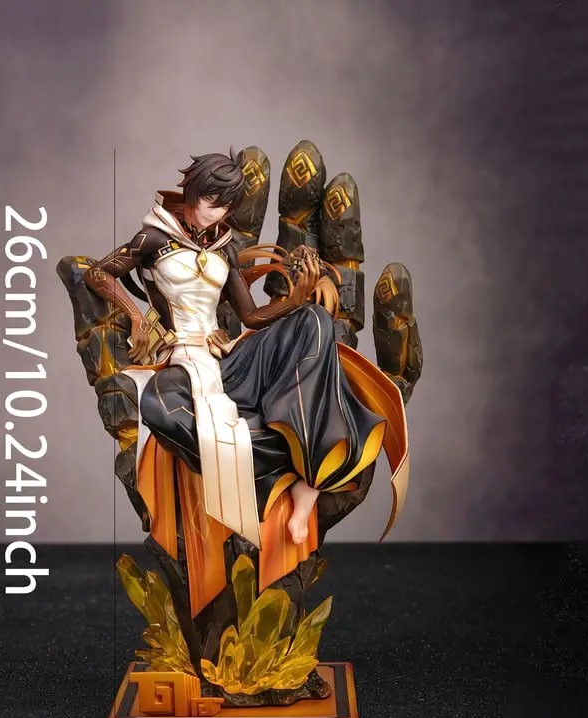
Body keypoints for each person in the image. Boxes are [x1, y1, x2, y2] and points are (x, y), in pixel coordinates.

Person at [82, 151, 399, 617]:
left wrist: (295, 299)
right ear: (193, 192)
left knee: (313, 322)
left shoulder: (225, 246)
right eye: (213, 202)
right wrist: (136, 316)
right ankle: (277, 472)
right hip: (178, 360)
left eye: (227, 206)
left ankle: (309, 482)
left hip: (225, 357)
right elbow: (97, 273)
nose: (219, 213)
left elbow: (251, 317)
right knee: (160, 411)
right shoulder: (155, 236)